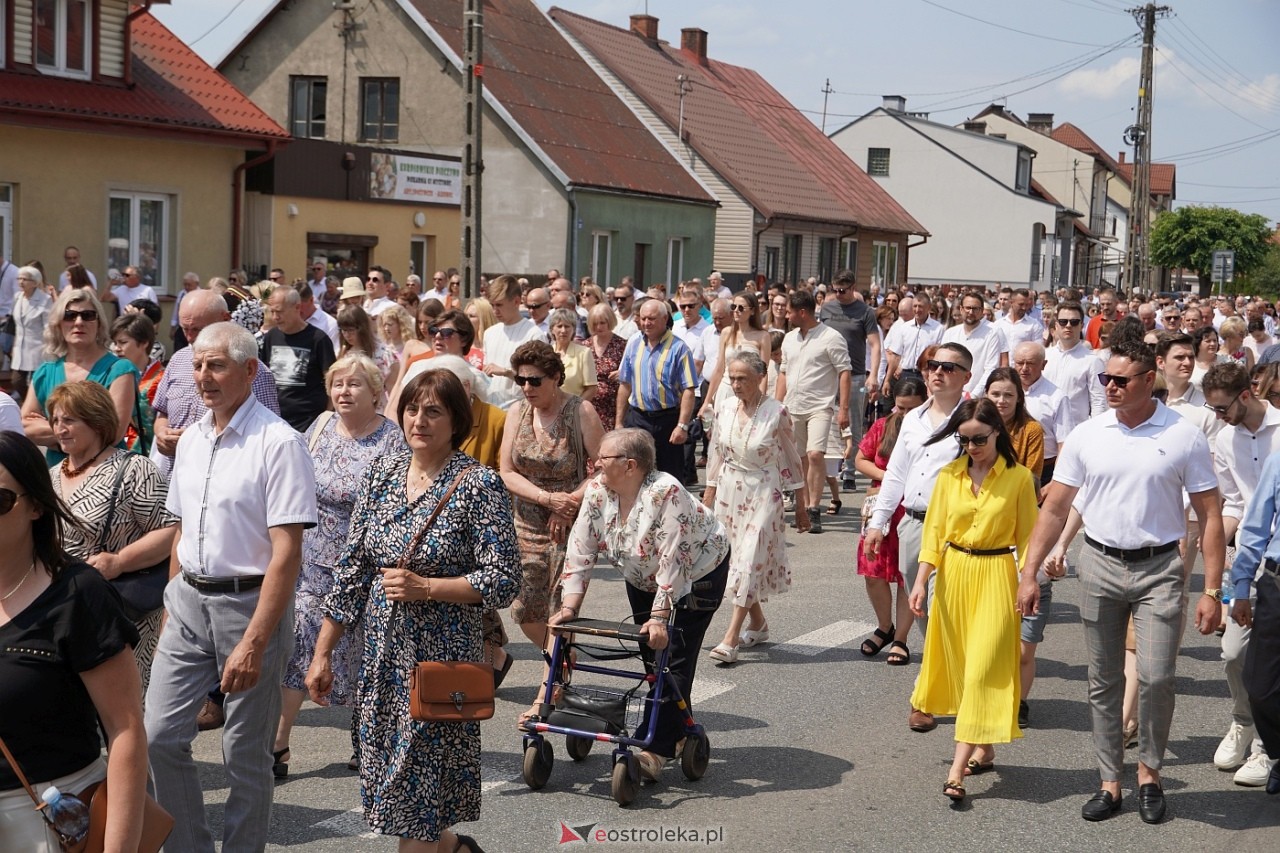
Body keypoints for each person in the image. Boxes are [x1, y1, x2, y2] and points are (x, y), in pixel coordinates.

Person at [306, 370, 518, 852]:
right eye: (411, 409)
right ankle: (454, 848)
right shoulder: (382, 474)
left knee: (415, 800)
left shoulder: (478, 484)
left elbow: (504, 578)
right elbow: (352, 571)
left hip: (440, 665)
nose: (419, 420)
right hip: (382, 662)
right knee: (404, 798)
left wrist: (428, 588)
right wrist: (322, 654)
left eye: (433, 411)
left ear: (456, 420)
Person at [1017, 339, 1224, 824]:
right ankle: (1110, 781)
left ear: (1148, 380)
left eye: (1119, 380)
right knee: (1103, 679)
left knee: (1156, 677)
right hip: (1099, 564)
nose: (1109, 387)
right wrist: (1030, 572)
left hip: (1160, 568)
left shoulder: (1183, 435)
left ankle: (1149, 773)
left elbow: (1210, 514)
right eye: (1104, 378)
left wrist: (1212, 590)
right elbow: (1056, 507)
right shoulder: (1089, 434)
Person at [145, 321, 318, 851]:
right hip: (188, 602)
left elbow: (286, 554)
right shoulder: (192, 440)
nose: (203, 376)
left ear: (249, 370)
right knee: (158, 736)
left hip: (250, 606)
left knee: (243, 755)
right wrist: (172, 607)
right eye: (197, 365)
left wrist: (255, 641)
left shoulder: (279, 443)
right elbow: (181, 532)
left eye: (216, 365)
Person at [0, 432, 149, 852]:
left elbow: (125, 729)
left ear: (35, 506)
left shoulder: (78, 594)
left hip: (47, 821)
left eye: (0, 500)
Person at [558, 428, 729, 782]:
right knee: (653, 658)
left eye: (603, 459)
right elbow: (581, 549)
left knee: (674, 656)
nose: (595, 465)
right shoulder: (597, 491)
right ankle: (677, 730)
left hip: (698, 572)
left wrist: (659, 617)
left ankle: (657, 749)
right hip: (642, 575)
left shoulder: (667, 492)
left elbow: (674, 559)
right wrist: (569, 608)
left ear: (630, 465)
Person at [273, 355, 406, 779]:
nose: (344, 392)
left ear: (376, 392)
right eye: (338, 384)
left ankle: (366, 739)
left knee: (367, 650)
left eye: (354, 384)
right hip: (311, 562)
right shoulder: (320, 427)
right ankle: (277, 744)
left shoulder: (392, 439)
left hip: (365, 565)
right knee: (300, 643)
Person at [908, 398, 1039, 802]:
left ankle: (955, 770)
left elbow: (1029, 538)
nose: (972, 447)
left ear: (997, 431)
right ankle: (986, 749)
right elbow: (934, 533)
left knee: (983, 670)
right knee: (966, 670)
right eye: (964, 440)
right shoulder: (950, 475)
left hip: (997, 575)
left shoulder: (1019, 479)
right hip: (954, 576)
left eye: (979, 439)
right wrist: (920, 581)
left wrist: (1029, 581)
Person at [863, 342, 973, 732]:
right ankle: (945, 685)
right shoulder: (913, 419)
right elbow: (896, 475)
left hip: (957, 529)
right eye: (932, 365)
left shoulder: (974, 417)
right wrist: (878, 524)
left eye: (948, 367)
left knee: (949, 611)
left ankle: (928, 695)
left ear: (966, 377)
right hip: (912, 523)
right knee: (923, 607)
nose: (937, 372)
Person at [47, 378, 177, 697]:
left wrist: (118, 561)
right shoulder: (49, 476)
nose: (60, 428)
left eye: (69, 420)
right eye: (55, 420)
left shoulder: (134, 469)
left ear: (96, 421)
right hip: (59, 609)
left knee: (122, 705)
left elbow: (171, 530)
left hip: (117, 611)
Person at [501, 341, 603, 707]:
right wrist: (546, 499)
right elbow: (506, 471)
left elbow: (603, 467)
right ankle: (561, 657)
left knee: (560, 606)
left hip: (569, 522)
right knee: (524, 608)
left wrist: (568, 502)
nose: (527, 387)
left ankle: (547, 691)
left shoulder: (580, 411)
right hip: (525, 521)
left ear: (556, 377)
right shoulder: (517, 412)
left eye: (535, 380)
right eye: (521, 380)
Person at [703, 351, 807, 664]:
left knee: (749, 560)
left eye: (743, 379)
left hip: (764, 490)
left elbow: (792, 458)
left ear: (761, 378)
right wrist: (708, 495)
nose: (736, 384)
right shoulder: (724, 407)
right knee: (734, 560)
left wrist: (802, 505)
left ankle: (730, 638)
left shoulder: (777, 412)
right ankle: (758, 623)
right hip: (729, 490)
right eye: (732, 378)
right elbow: (716, 453)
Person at [22, 288, 137, 465]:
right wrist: (84, 430)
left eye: (87, 315)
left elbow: (112, 433)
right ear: (58, 323)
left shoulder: (119, 369)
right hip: (56, 473)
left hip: (104, 472)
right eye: (69, 315)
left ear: (99, 324)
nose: (79, 322)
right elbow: (25, 426)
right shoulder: (46, 371)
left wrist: (55, 436)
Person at [775, 290, 851, 534]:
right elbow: (783, 373)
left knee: (816, 454)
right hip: (793, 407)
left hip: (820, 406)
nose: (786, 316)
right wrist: (776, 405)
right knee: (800, 460)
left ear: (802, 312)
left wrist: (844, 409)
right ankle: (805, 508)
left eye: (789, 312)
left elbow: (845, 371)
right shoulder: (789, 339)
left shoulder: (831, 337)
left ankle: (815, 508)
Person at [616, 299, 698, 479]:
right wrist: (619, 423)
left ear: (664, 318)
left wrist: (682, 426)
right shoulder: (633, 343)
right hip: (638, 418)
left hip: (667, 421)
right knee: (634, 474)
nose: (646, 323)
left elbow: (689, 390)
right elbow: (625, 384)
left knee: (670, 476)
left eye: (651, 319)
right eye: (643, 318)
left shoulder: (679, 348)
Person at [819, 270, 882, 459]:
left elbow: (875, 344)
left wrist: (873, 375)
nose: (838, 294)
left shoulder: (865, 312)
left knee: (853, 421)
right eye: (835, 290)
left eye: (843, 291)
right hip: (828, 374)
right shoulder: (826, 309)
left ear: (853, 288)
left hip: (855, 374)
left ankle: (851, 468)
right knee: (826, 419)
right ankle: (830, 461)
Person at [262, 286, 338, 431]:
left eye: (279, 311)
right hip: (275, 422)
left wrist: (326, 419)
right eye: (272, 312)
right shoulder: (271, 337)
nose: (275, 317)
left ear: (297, 307)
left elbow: (332, 382)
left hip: (309, 424)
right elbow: (265, 377)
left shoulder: (318, 339)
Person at [700, 292, 772, 418]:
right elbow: (719, 369)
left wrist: (759, 401)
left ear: (752, 311)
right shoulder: (726, 333)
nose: (736, 311)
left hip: (750, 393)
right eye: (734, 307)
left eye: (741, 308)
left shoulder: (763, 336)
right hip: (726, 390)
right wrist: (707, 402)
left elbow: (763, 373)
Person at [482, 275, 546, 407]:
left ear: (516, 302)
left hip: (521, 408)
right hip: (491, 408)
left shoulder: (534, 335)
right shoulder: (489, 333)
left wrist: (506, 372)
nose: (495, 311)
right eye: (492, 305)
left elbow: (541, 378)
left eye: (499, 305)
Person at [942, 290, 1008, 397]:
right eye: (968, 308)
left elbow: (991, 368)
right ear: (961, 309)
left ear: (981, 311)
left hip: (977, 396)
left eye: (975, 309)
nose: (971, 312)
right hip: (950, 394)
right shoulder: (950, 333)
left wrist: (973, 395)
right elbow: (942, 364)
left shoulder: (992, 334)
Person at [337, 304, 400, 406]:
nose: (347, 335)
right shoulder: (344, 354)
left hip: (377, 409)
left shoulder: (384, 354)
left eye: (351, 330)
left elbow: (394, 391)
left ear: (362, 328)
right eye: (344, 330)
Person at [882, 295, 944, 394]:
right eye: (915, 306)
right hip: (906, 374)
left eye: (921, 306)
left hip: (926, 376)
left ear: (928, 307)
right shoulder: (904, 328)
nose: (917, 310)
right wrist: (887, 380)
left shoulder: (938, 329)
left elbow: (939, 356)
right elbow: (895, 356)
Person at [10, 265, 51, 404]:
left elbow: (48, 326)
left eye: (25, 279)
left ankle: (37, 405)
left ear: (35, 282)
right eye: (19, 279)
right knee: (17, 381)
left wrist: (49, 346)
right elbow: (17, 325)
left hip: (38, 347)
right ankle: (29, 402)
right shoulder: (17, 297)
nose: (21, 282)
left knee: (37, 381)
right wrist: (14, 345)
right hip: (20, 347)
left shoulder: (45, 299)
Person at [586, 303, 628, 430]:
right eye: (595, 324)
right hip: (589, 407)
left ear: (610, 321)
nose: (598, 327)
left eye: (602, 323)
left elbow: (632, 373)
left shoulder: (622, 345)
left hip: (613, 407)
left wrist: (622, 373)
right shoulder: (584, 346)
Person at [548, 307, 598, 400]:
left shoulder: (584, 353)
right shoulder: (546, 353)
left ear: (574, 329)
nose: (563, 330)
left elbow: (591, 389)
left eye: (567, 326)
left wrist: (573, 406)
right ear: (552, 329)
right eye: (559, 326)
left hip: (575, 406)